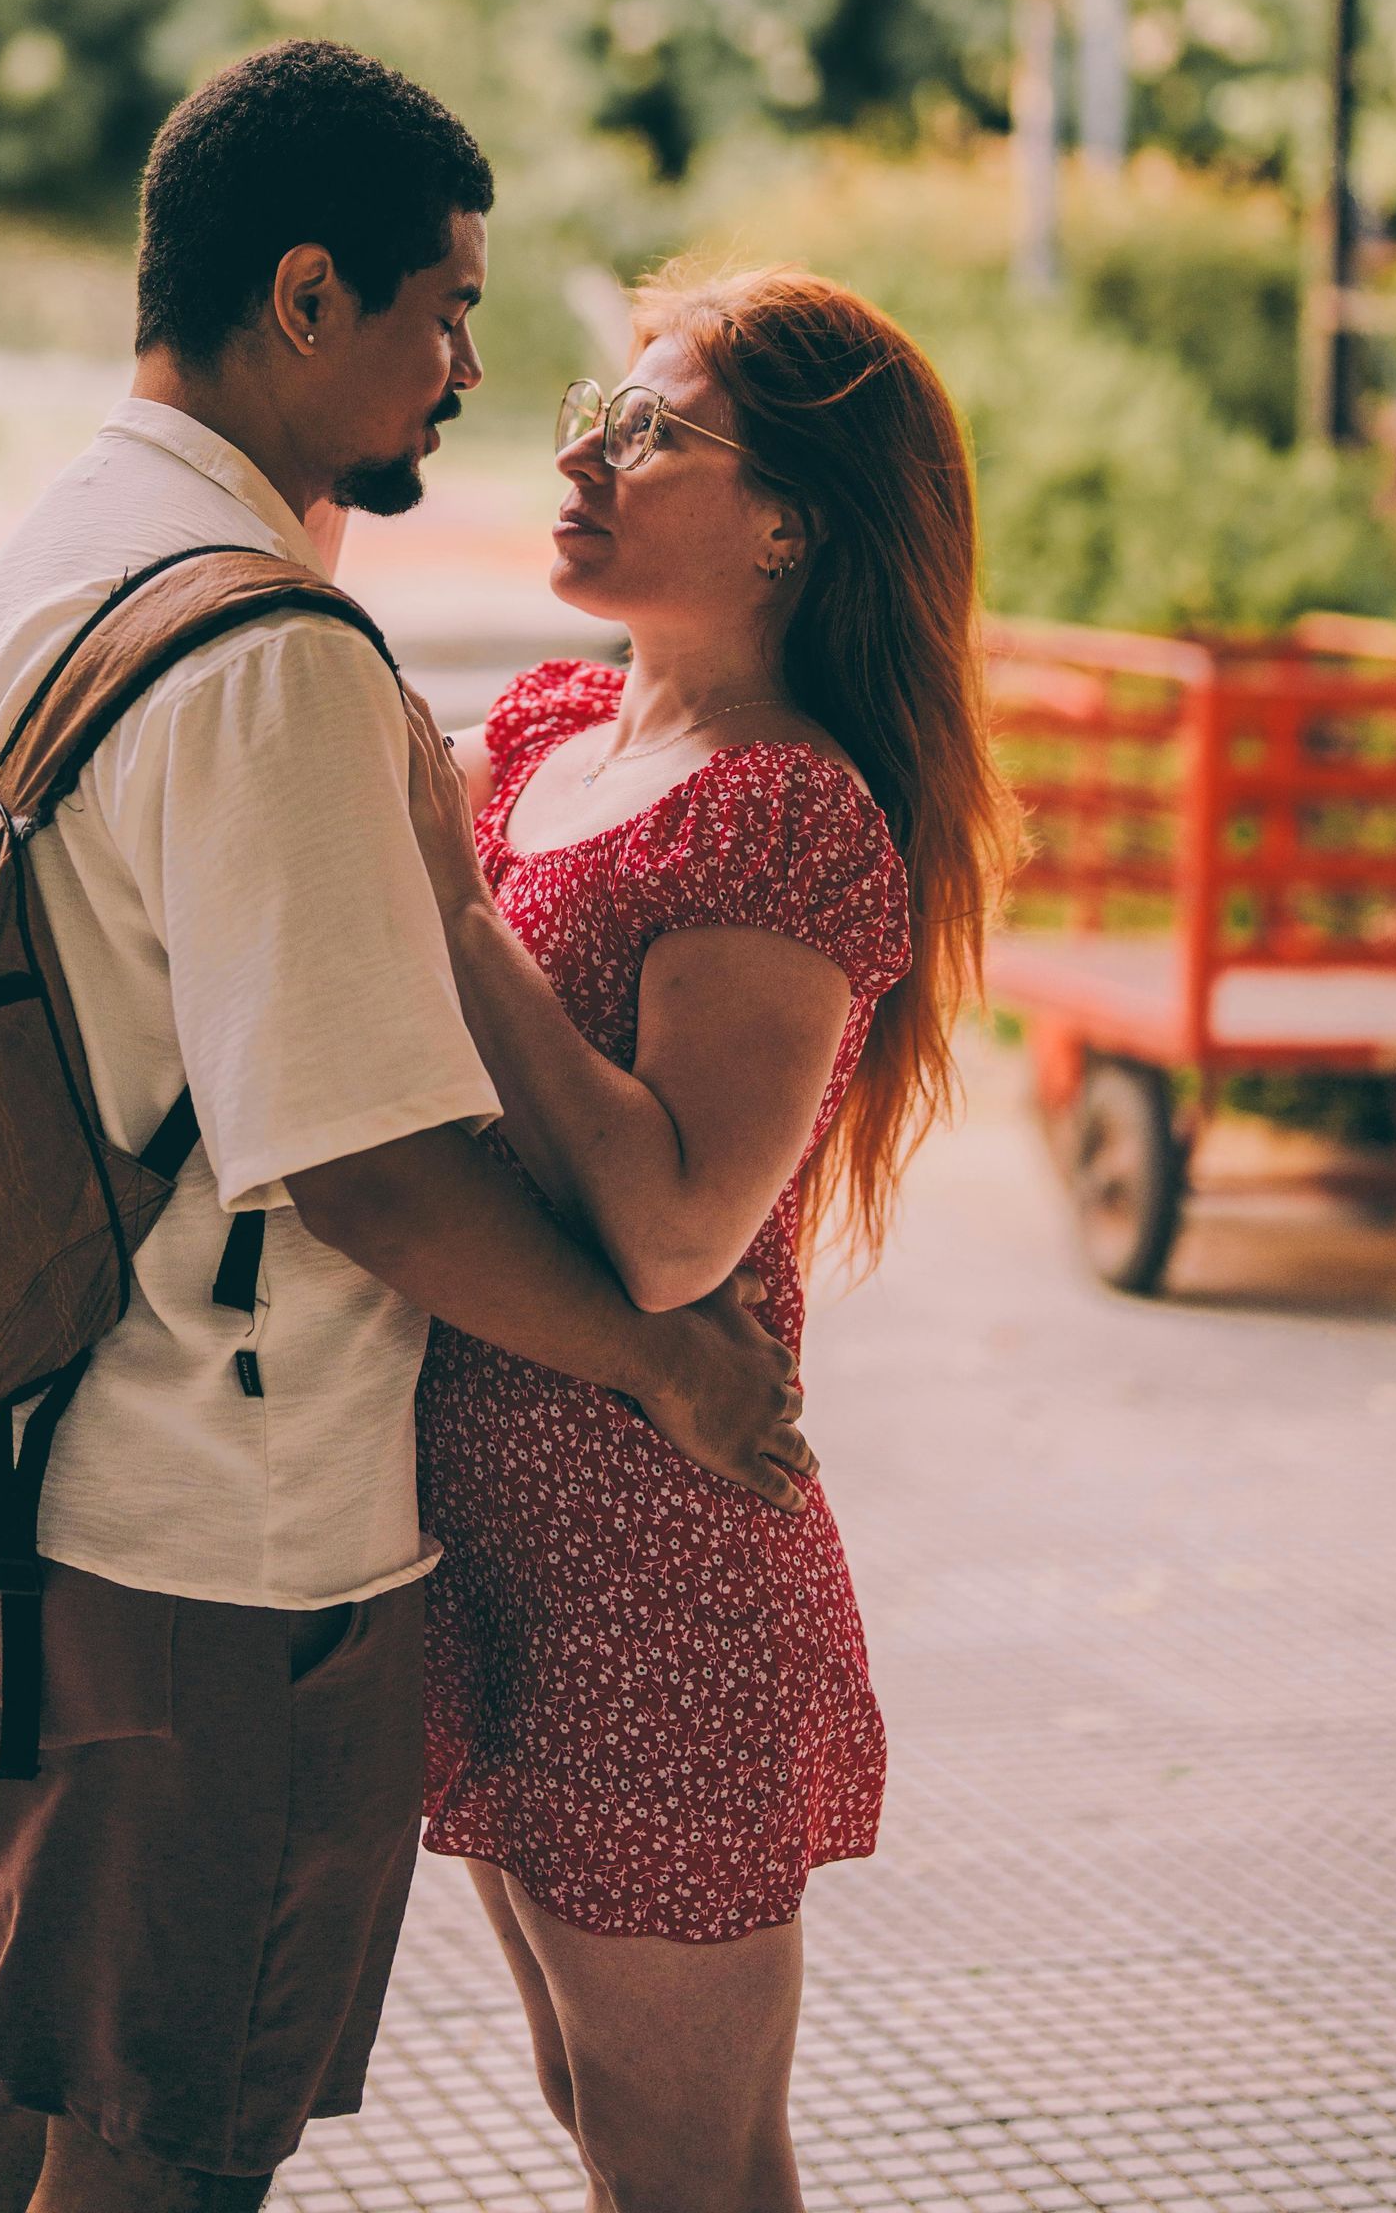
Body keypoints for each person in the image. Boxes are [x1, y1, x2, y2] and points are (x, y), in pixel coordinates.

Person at [0, 46, 809, 2213]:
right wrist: (666, 1360)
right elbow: (359, 1161)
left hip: (4, 1463)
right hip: (216, 1541)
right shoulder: (273, 649)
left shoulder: (65, 545)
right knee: (168, 2141)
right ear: (310, 296)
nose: (471, 368)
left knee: (25, 2074)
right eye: (445, 312)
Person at [403, 265, 1014, 2213]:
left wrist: (448, 902)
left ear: (789, 523)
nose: (586, 448)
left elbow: (672, 1229)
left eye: (659, 428)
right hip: (482, 1528)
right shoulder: (556, 724)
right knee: (595, 2112)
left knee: (685, 2164)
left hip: (657, 1576)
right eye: (605, 403)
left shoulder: (789, 813)